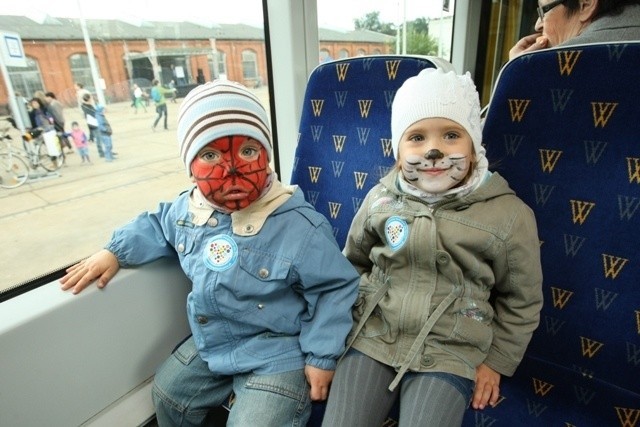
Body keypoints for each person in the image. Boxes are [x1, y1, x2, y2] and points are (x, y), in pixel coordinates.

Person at [59, 80, 360, 426]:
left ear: (267, 155)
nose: (230, 169)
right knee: (167, 394)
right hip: (216, 341)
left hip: (279, 351)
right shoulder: (188, 212)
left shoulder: (299, 225)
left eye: (248, 151)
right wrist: (113, 252)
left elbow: (334, 288)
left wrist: (322, 356)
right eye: (210, 156)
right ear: (190, 167)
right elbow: (155, 224)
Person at [321, 68, 544, 427]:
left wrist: (496, 361)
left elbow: (522, 299)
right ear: (398, 151)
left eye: (452, 135)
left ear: (473, 145)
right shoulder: (380, 199)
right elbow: (353, 265)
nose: (434, 150)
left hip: (451, 347)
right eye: (417, 138)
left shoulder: (509, 215)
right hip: (375, 333)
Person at [509, 0, 640, 59]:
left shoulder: (551, 67)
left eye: (543, 11)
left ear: (586, 5)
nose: (538, 25)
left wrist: (517, 70)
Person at [81, 93, 105, 158]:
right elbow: (94, 114)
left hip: (93, 124)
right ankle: (101, 153)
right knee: (99, 139)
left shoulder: (86, 105)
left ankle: (103, 151)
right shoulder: (86, 106)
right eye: (91, 98)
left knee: (99, 138)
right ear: (88, 99)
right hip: (94, 124)